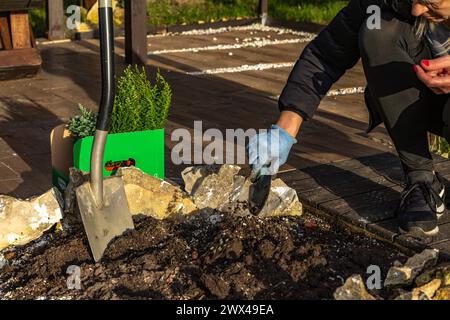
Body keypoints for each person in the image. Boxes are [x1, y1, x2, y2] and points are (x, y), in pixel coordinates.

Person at [248, 0, 450, 236]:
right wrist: (284, 129)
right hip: (427, 102)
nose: (416, 10)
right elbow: (326, 54)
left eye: (429, 2)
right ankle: (422, 180)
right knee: (377, 30)